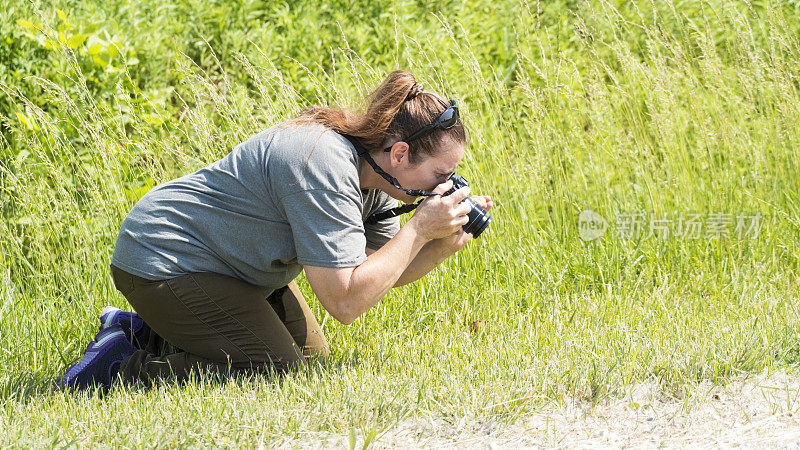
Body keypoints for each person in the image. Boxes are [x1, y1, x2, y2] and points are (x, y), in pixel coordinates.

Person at [57, 70, 493, 390]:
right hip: (164, 256)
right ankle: (119, 368)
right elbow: (344, 300)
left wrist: (441, 242)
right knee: (271, 370)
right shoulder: (321, 163)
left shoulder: (374, 176)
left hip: (232, 270)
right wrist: (418, 229)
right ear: (400, 153)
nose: (447, 185)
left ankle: (142, 331)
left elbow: (378, 272)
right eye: (442, 173)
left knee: (311, 362)